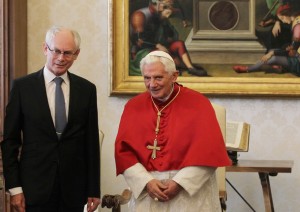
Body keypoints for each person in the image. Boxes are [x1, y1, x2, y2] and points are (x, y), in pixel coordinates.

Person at [115, 50, 231, 211]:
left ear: (174, 76)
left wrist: (179, 183)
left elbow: (209, 152)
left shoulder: (198, 104)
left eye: (158, 77)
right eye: (147, 78)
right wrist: (145, 181)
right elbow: (123, 153)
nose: (152, 84)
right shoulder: (133, 107)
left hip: (190, 195)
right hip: (149, 191)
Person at [1, 26, 100, 212]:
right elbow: (10, 142)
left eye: (68, 53)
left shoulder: (87, 90)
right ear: (45, 49)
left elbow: (91, 143)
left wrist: (93, 189)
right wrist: (14, 189)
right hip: (33, 190)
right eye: (56, 51)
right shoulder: (22, 87)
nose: (61, 58)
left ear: (76, 54)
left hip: (74, 191)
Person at [129, 0, 207, 77]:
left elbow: (172, 36)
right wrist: (157, 45)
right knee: (176, 62)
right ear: (156, 3)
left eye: (170, 6)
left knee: (179, 44)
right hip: (142, 51)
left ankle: (190, 68)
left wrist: (164, 20)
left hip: (159, 48)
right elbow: (139, 41)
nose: (169, 8)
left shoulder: (159, 16)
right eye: (166, 5)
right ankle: (174, 68)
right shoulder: (140, 15)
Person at [233, 4, 300, 76]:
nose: (283, 21)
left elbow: (292, 52)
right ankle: (280, 67)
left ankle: (247, 69)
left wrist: (272, 53)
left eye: (283, 18)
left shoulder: (297, 27)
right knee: (272, 52)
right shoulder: (297, 20)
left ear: (287, 14)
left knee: (274, 58)